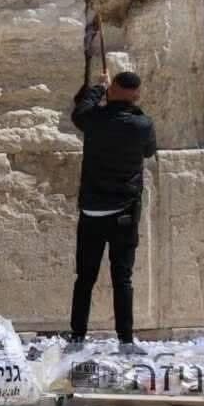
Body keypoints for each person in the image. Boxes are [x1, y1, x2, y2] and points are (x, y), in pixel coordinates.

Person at [69, 71, 157, 353]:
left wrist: (99, 88)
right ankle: (125, 340)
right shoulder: (142, 124)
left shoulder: (93, 120)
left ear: (112, 91)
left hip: (92, 212)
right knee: (122, 278)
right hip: (124, 214)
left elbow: (80, 111)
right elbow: (148, 152)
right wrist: (130, 106)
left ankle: (77, 337)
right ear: (136, 95)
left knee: (85, 278)